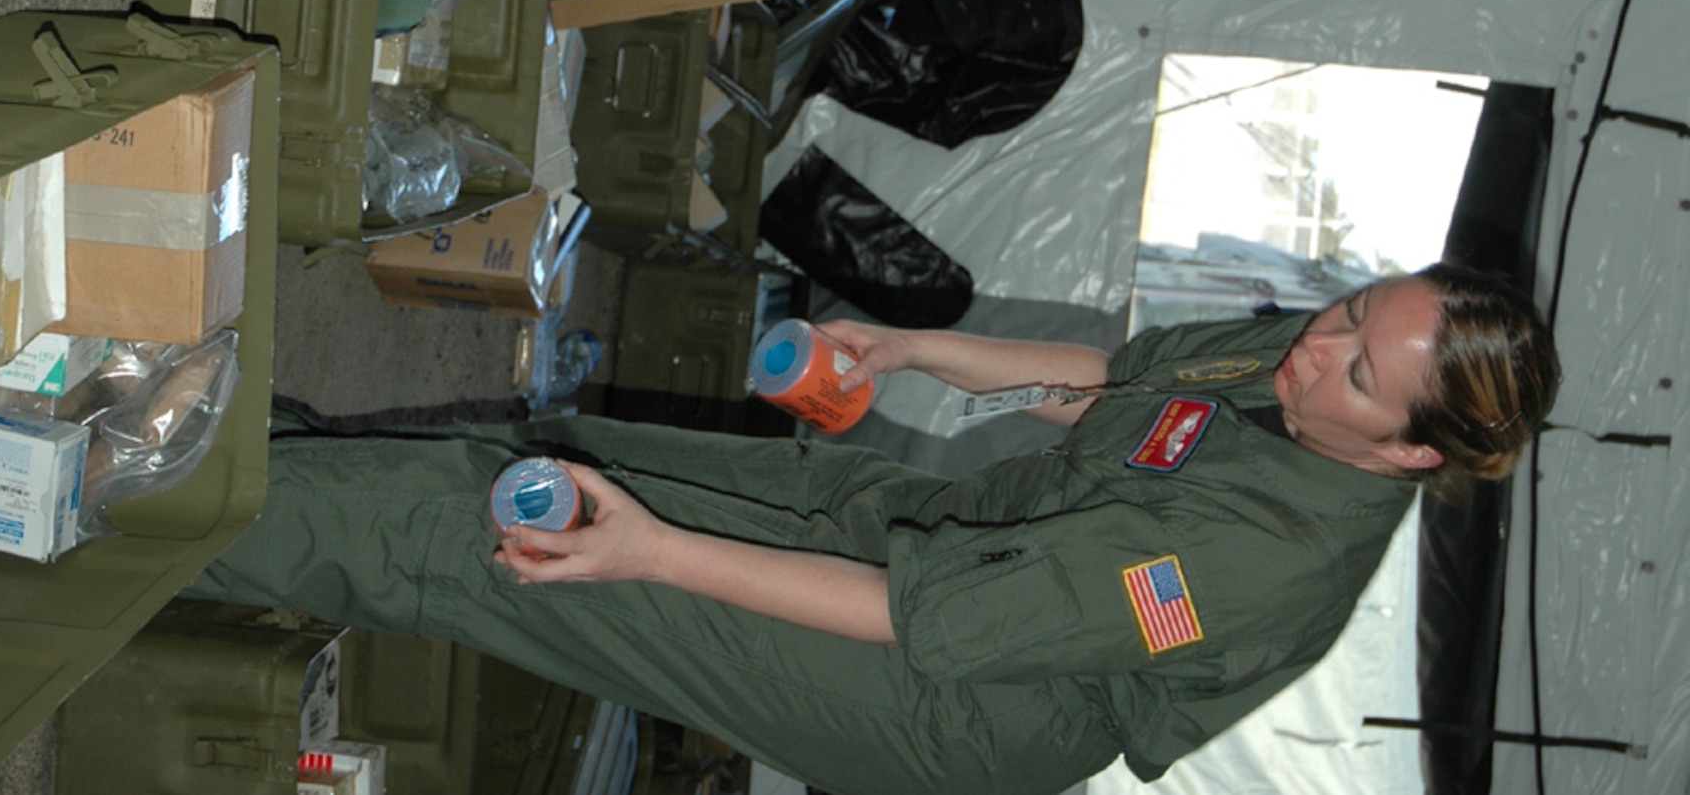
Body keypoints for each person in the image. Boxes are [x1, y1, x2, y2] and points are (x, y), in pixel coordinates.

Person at [185, 262, 1557, 795]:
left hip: (949, 693)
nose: (1313, 350)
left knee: (510, 536)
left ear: (1413, 450)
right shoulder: (1315, 361)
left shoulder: (1263, 562)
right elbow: (1120, 390)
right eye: (1348, 312)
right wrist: (913, 346)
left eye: (1356, 374)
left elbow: (935, 619)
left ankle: (127, 491)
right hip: (960, 527)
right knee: (567, 458)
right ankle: (236, 471)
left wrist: (650, 553)